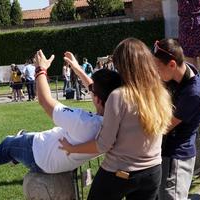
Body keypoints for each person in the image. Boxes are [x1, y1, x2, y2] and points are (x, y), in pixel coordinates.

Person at [0, 53, 122, 174]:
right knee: (24, 138)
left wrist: (41, 70)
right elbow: (96, 89)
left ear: (99, 100)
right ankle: (19, 149)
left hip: (38, 153)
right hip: (56, 160)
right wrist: (77, 69)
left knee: (8, 144)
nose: (90, 89)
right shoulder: (114, 122)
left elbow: (45, 100)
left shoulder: (83, 122)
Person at [60, 38, 173, 200]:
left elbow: (103, 144)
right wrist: (77, 68)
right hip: (153, 172)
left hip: (120, 173)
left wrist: (72, 148)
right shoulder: (160, 93)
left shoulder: (119, 96)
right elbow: (95, 88)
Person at [152, 39, 200, 200]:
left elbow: (164, 126)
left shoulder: (194, 93)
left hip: (176, 158)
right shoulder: (181, 73)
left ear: (172, 64)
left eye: (157, 68)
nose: (155, 73)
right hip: (166, 154)